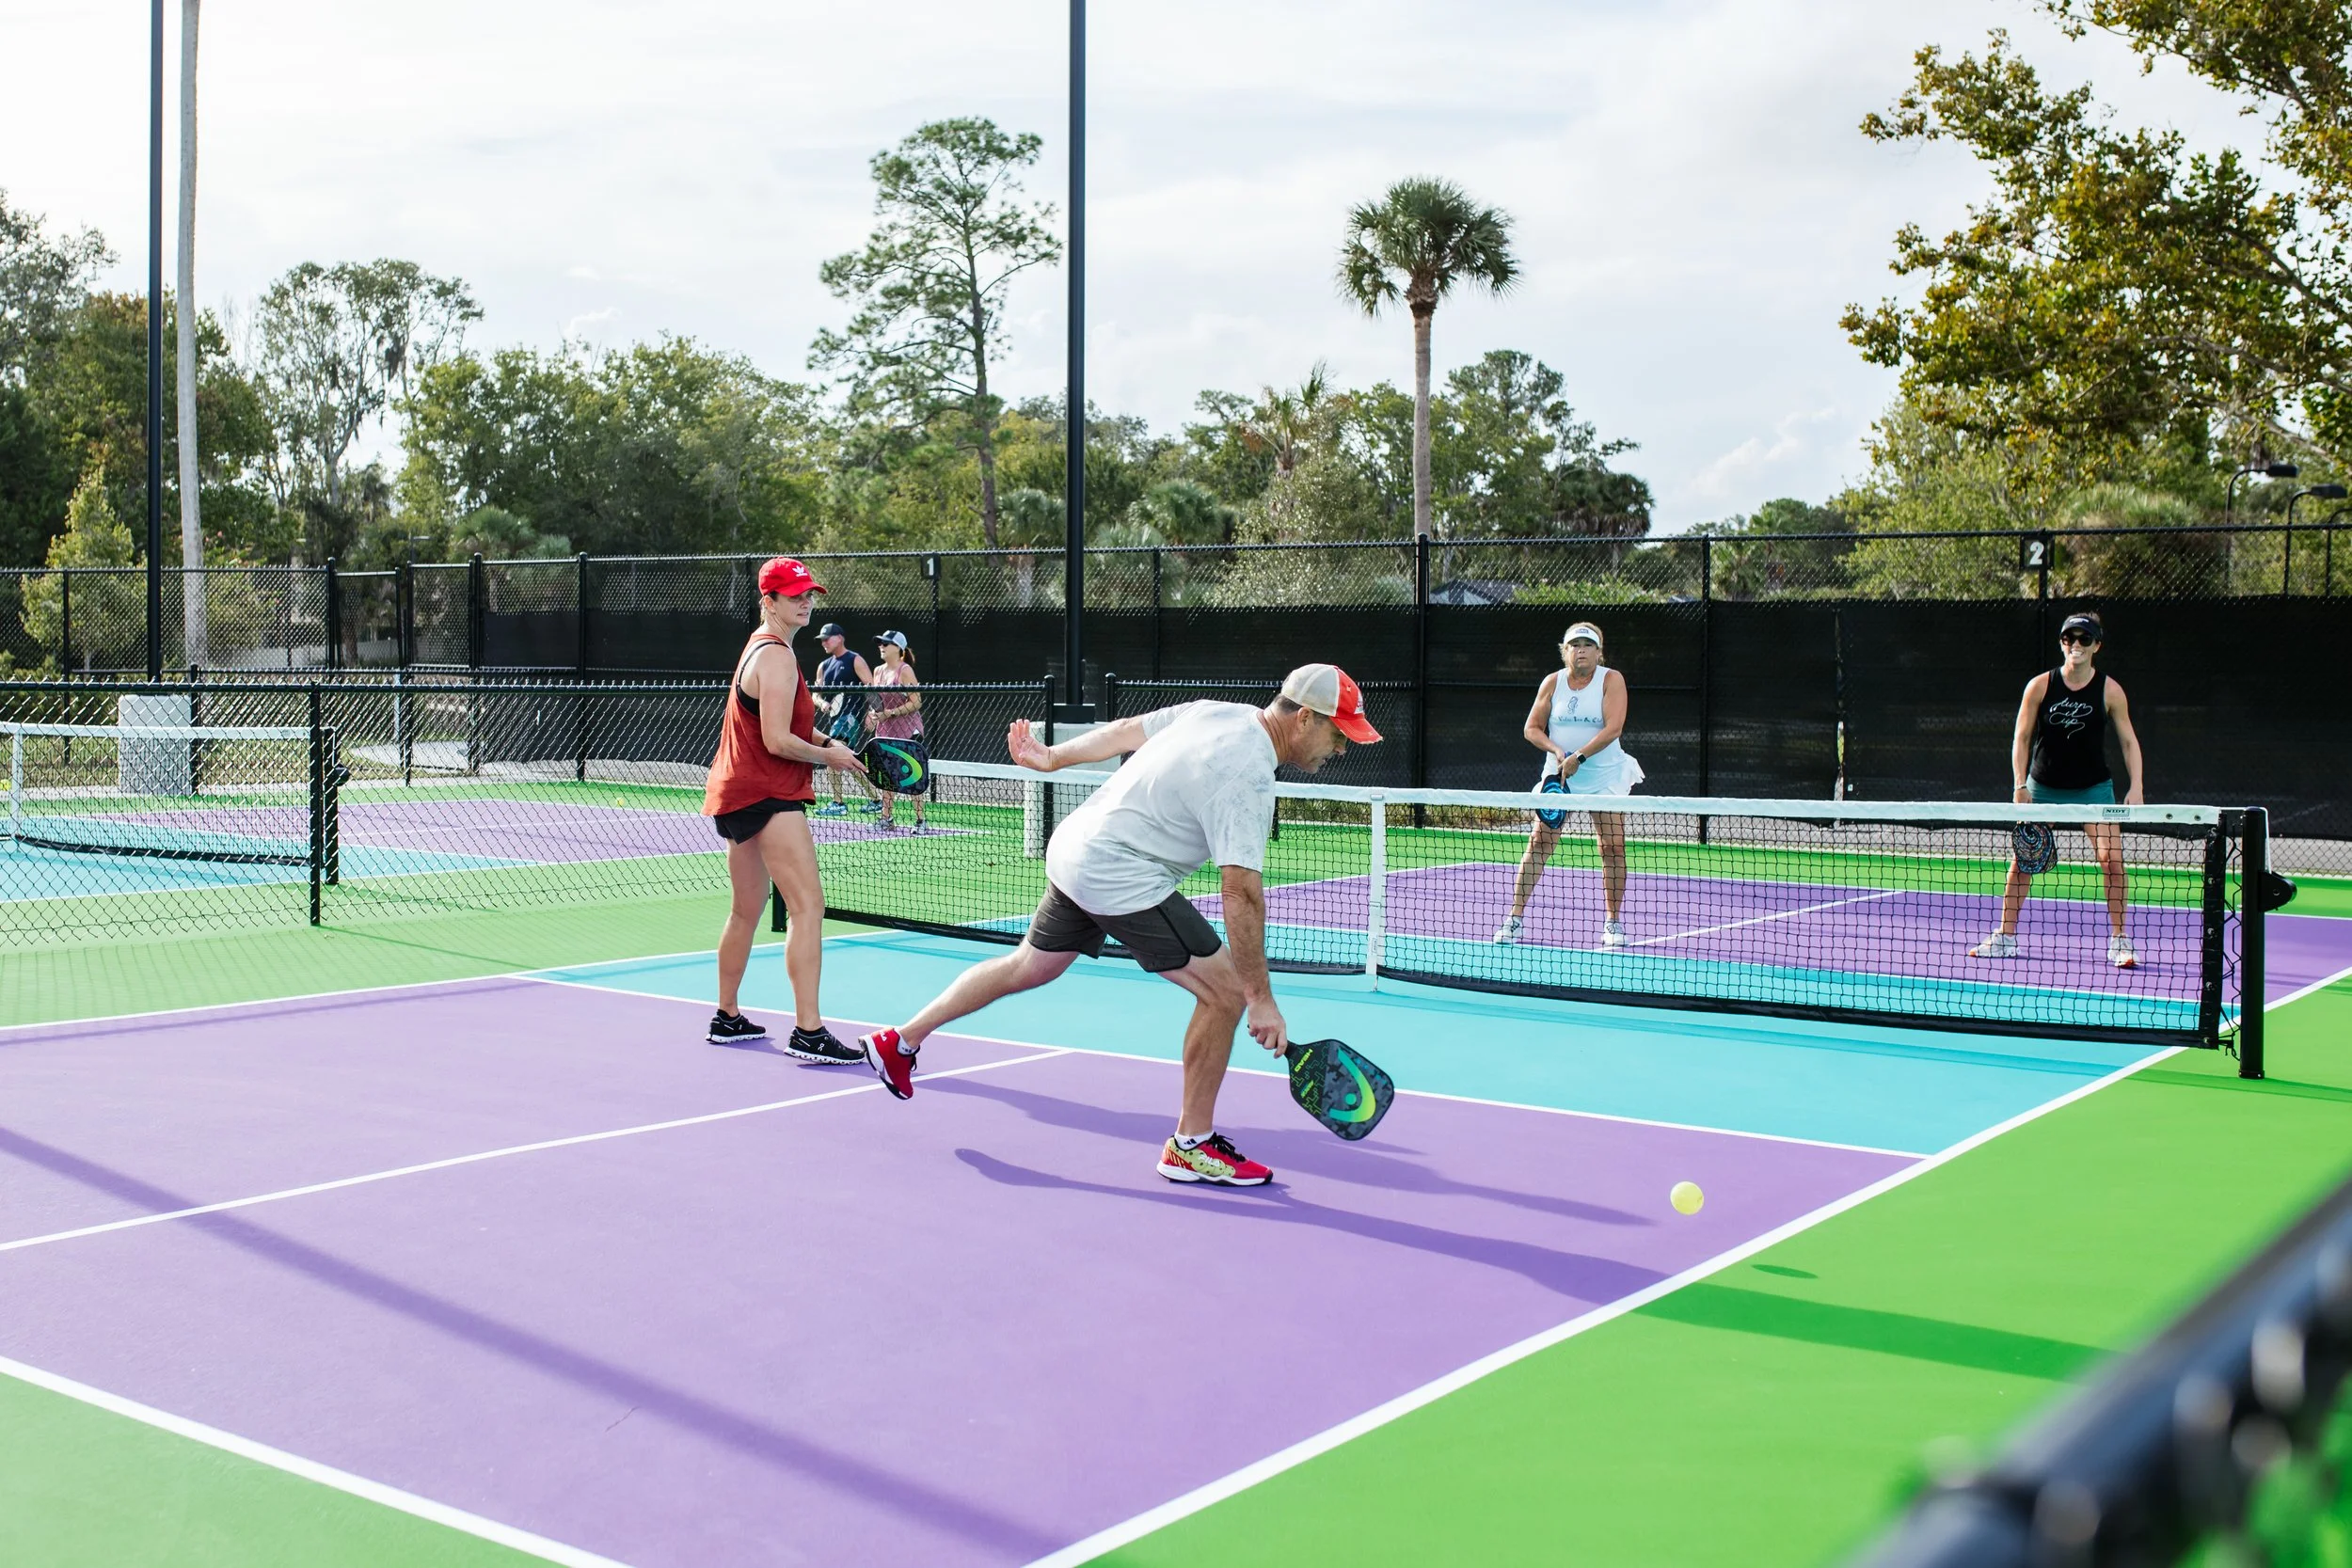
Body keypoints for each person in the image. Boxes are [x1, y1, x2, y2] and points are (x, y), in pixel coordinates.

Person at [856, 664, 1381, 1187]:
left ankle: (899, 1041)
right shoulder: (1248, 775)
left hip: (1075, 846)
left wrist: (1055, 756)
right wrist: (1260, 996)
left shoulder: (1218, 713)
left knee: (1029, 966)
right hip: (1118, 870)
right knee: (1226, 992)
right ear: (1305, 718)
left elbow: (1127, 730)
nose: (1340, 749)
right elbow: (1240, 893)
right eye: (1339, 735)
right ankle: (1191, 1145)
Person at [700, 557, 869, 1061]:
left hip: (735, 791)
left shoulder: (761, 649)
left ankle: (726, 1016)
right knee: (807, 906)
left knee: (745, 909)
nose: (805, 601)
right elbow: (776, 741)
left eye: (809, 593)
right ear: (767, 601)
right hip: (767, 792)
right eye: (794, 594)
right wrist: (827, 755)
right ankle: (809, 1031)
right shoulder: (775, 656)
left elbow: (770, 724)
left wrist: (829, 741)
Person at [1970, 611, 2146, 969]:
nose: (2076, 645)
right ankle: (2005, 937)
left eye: (2084, 639)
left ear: (2097, 645)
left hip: (2094, 789)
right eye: (2069, 638)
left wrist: (2137, 786)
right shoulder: (2040, 686)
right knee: (2023, 862)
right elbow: (2021, 738)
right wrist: (2019, 784)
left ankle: (2120, 942)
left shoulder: (2110, 690)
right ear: (2062, 643)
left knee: (2111, 862)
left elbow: (2128, 741)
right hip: (2043, 788)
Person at [1494, 622, 1645, 948]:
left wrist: (1579, 756)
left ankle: (1613, 923)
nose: (1581, 651)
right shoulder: (1552, 683)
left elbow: (1614, 728)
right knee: (1539, 844)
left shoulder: (1611, 680)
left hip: (1603, 776)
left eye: (1588, 645)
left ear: (1598, 652)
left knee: (1612, 847)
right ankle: (1514, 919)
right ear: (1565, 651)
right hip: (1560, 778)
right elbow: (1531, 728)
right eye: (1575, 645)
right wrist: (1557, 751)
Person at [811, 623, 882, 818]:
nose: (824, 642)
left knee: (832, 754)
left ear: (840, 638)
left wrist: (871, 711)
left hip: (851, 717)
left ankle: (838, 803)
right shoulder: (823, 666)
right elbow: (815, 695)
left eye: (828, 638)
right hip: (836, 717)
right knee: (847, 760)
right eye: (822, 639)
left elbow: (871, 688)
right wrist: (822, 703)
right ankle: (876, 799)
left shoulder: (855, 660)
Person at [866, 629, 926, 832]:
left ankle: (920, 821)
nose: (881, 646)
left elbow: (916, 701)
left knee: (912, 776)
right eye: (880, 643)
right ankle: (886, 819)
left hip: (909, 732)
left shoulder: (905, 670)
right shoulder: (877, 671)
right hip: (885, 731)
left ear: (898, 648)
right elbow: (877, 700)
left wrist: (890, 713)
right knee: (885, 775)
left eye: (886, 643)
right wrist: (872, 715)